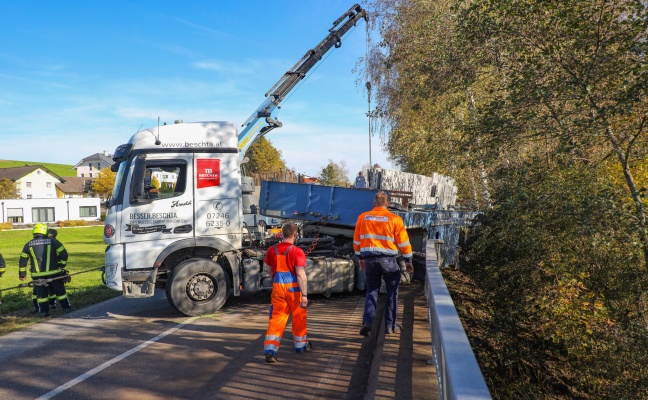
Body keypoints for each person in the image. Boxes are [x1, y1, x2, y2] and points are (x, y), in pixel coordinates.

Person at [353, 191, 413, 336]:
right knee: (392, 292)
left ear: (374, 204)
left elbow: (356, 240)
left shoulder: (363, 217)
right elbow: (403, 242)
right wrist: (408, 260)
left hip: (369, 260)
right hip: (388, 261)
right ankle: (390, 326)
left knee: (371, 290)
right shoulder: (395, 219)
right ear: (388, 204)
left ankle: (367, 322)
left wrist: (360, 258)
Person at [263, 222, 311, 363]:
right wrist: (305, 295)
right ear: (295, 235)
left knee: (277, 318)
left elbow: (269, 270)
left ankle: (270, 350)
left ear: (282, 234)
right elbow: (301, 274)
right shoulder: (297, 251)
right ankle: (301, 345)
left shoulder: (272, 250)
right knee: (298, 316)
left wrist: (276, 281)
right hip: (294, 289)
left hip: (278, 287)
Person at [19, 223, 72, 317]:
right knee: (60, 291)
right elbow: (64, 254)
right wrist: (61, 265)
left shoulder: (28, 245)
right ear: (45, 231)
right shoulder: (54, 241)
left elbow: (22, 261)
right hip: (54, 272)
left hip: (37, 275)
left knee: (41, 294)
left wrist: (22, 274)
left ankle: (44, 312)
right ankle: (66, 308)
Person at [28, 228, 60, 313]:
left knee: (46, 289)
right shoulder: (53, 242)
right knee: (39, 290)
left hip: (43, 271)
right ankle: (39, 306)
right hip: (45, 271)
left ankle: (47, 304)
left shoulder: (52, 242)